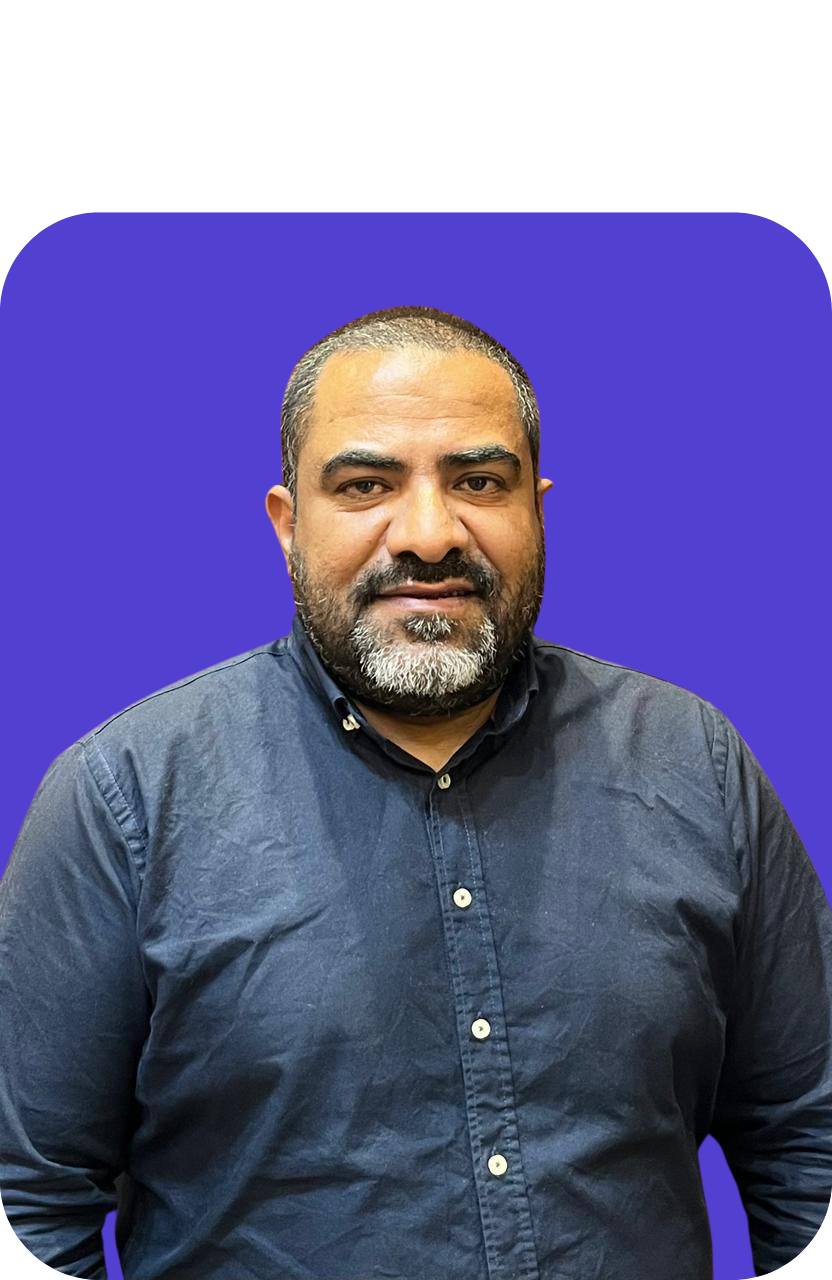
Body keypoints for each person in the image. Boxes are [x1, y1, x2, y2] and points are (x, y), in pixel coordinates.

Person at [0, 306, 829, 1280]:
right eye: (365, 485)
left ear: (537, 507)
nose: (429, 534)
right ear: (286, 522)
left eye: (479, 481)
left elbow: (809, 1134)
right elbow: (25, 1199)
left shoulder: (696, 761)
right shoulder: (123, 796)